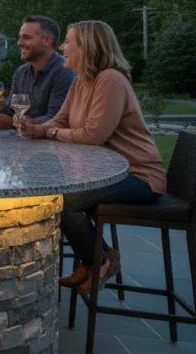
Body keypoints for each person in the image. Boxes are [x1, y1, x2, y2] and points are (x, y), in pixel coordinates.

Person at [20, 21, 166, 292]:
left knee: (65, 200)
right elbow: (61, 119)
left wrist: (50, 133)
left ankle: (100, 262)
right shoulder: (81, 81)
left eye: (68, 42)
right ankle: (92, 262)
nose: (63, 47)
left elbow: (93, 135)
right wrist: (38, 128)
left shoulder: (109, 80)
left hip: (138, 175)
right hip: (103, 173)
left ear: (87, 47)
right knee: (56, 194)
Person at [0, 15, 75, 130]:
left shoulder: (64, 72)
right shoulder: (21, 72)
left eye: (26, 37)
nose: (19, 43)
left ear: (47, 40)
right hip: (24, 140)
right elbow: (13, 113)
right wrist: (1, 108)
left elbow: (56, 119)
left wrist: (11, 123)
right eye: (20, 37)